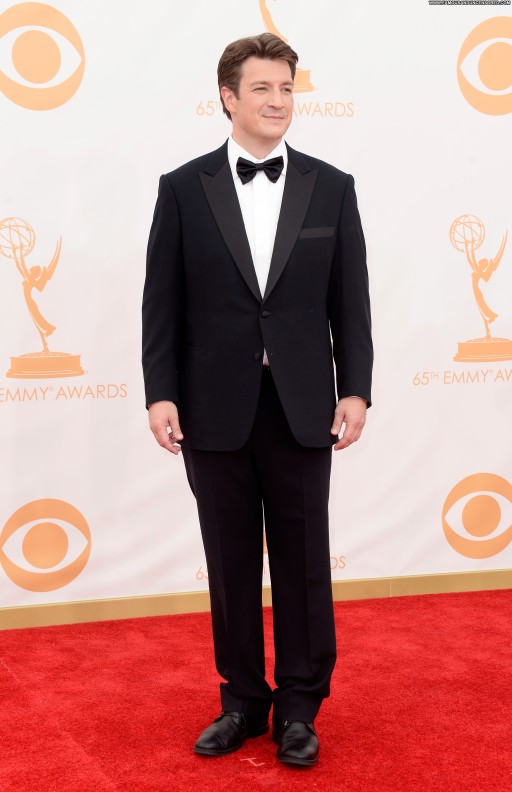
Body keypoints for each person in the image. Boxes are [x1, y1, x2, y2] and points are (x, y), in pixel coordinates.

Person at [142, 32, 373, 767]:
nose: (279, 101)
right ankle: (241, 701)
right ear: (229, 97)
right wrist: (159, 393)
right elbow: (161, 301)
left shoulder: (332, 185)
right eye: (263, 88)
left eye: (287, 88)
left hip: (303, 404)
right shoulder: (183, 187)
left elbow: (351, 299)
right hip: (211, 405)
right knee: (230, 559)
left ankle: (300, 708)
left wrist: (356, 386)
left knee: (304, 563)